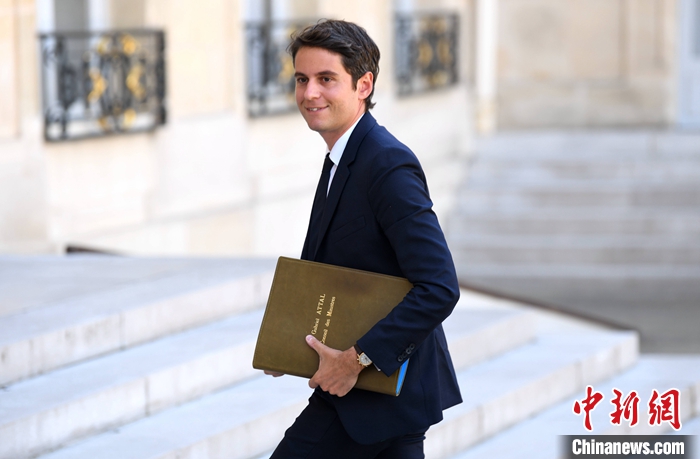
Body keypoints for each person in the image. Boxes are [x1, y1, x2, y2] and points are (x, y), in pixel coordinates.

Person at [266, 19, 462, 459]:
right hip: (377, 398)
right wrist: (289, 346)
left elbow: (439, 286)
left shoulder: (387, 164)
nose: (309, 93)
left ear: (363, 85)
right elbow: (340, 270)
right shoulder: (342, 156)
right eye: (301, 79)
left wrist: (356, 360)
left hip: (377, 390)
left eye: (326, 79)